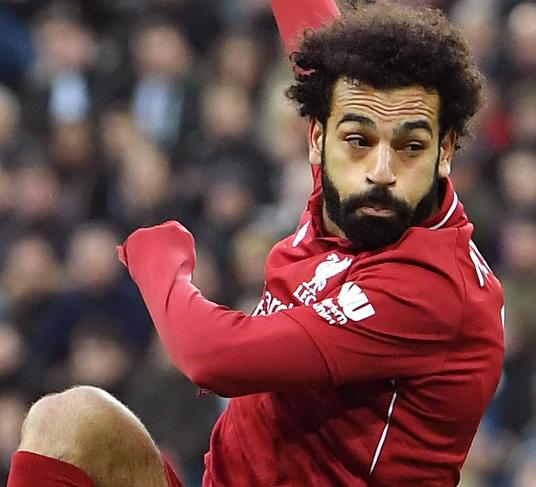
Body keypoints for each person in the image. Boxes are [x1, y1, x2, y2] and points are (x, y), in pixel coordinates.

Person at [8, 0, 504, 485]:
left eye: (410, 147)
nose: (381, 171)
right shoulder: (354, 199)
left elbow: (211, 357)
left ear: (446, 151)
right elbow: (316, 42)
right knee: (70, 420)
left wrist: (159, 260)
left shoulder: (433, 286)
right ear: (318, 139)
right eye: (358, 140)